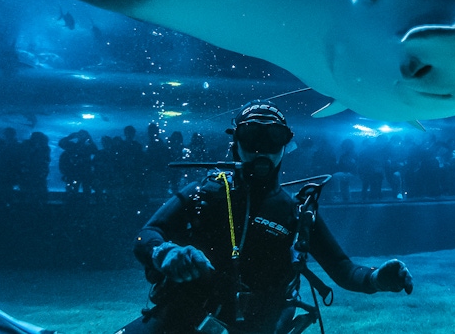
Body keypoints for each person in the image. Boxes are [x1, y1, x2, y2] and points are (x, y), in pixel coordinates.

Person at [124, 100, 413, 334]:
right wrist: (165, 252)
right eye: (251, 137)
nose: (261, 150)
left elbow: (343, 269)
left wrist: (377, 279)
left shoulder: (296, 212)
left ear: (285, 145)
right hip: (180, 317)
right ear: (235, 142)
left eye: (273, 139)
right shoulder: (204, 192)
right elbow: (147, 235)